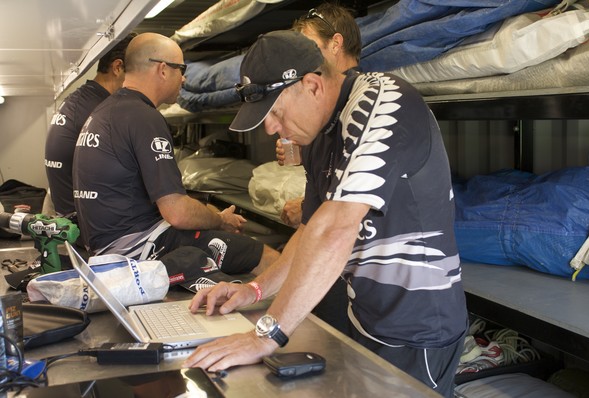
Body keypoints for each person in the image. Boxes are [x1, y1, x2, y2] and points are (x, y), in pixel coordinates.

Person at [184, 30, 469, 398]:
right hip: (365, 318)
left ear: (312, 86)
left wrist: (265, 335)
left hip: (418, 333)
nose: (270, 127)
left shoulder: (381, 105)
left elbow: (335, 230)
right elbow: (310, 230)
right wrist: (254, 290)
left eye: (275, 112)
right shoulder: (320, 132)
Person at [72, 32, 279, 277]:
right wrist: (219, 219)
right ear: (162, 69)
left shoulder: (106, 111)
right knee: (266, 257)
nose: (183, 78)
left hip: (107, 247)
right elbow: (178, 213)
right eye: (181, 69)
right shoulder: (142, 116)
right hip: (137, 250)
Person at [276, 3, 361, 229]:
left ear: (335, 44)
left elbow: (359, 198)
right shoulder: (320, 111)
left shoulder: (365, 106)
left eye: (308, 46)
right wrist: (304, 148)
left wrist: (305, 207)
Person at [45, 33, 136, 218]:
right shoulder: (102, 111)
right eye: (137, 72)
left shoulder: (82, 99)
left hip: (70, 215)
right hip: (84, 224)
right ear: (118, 67)